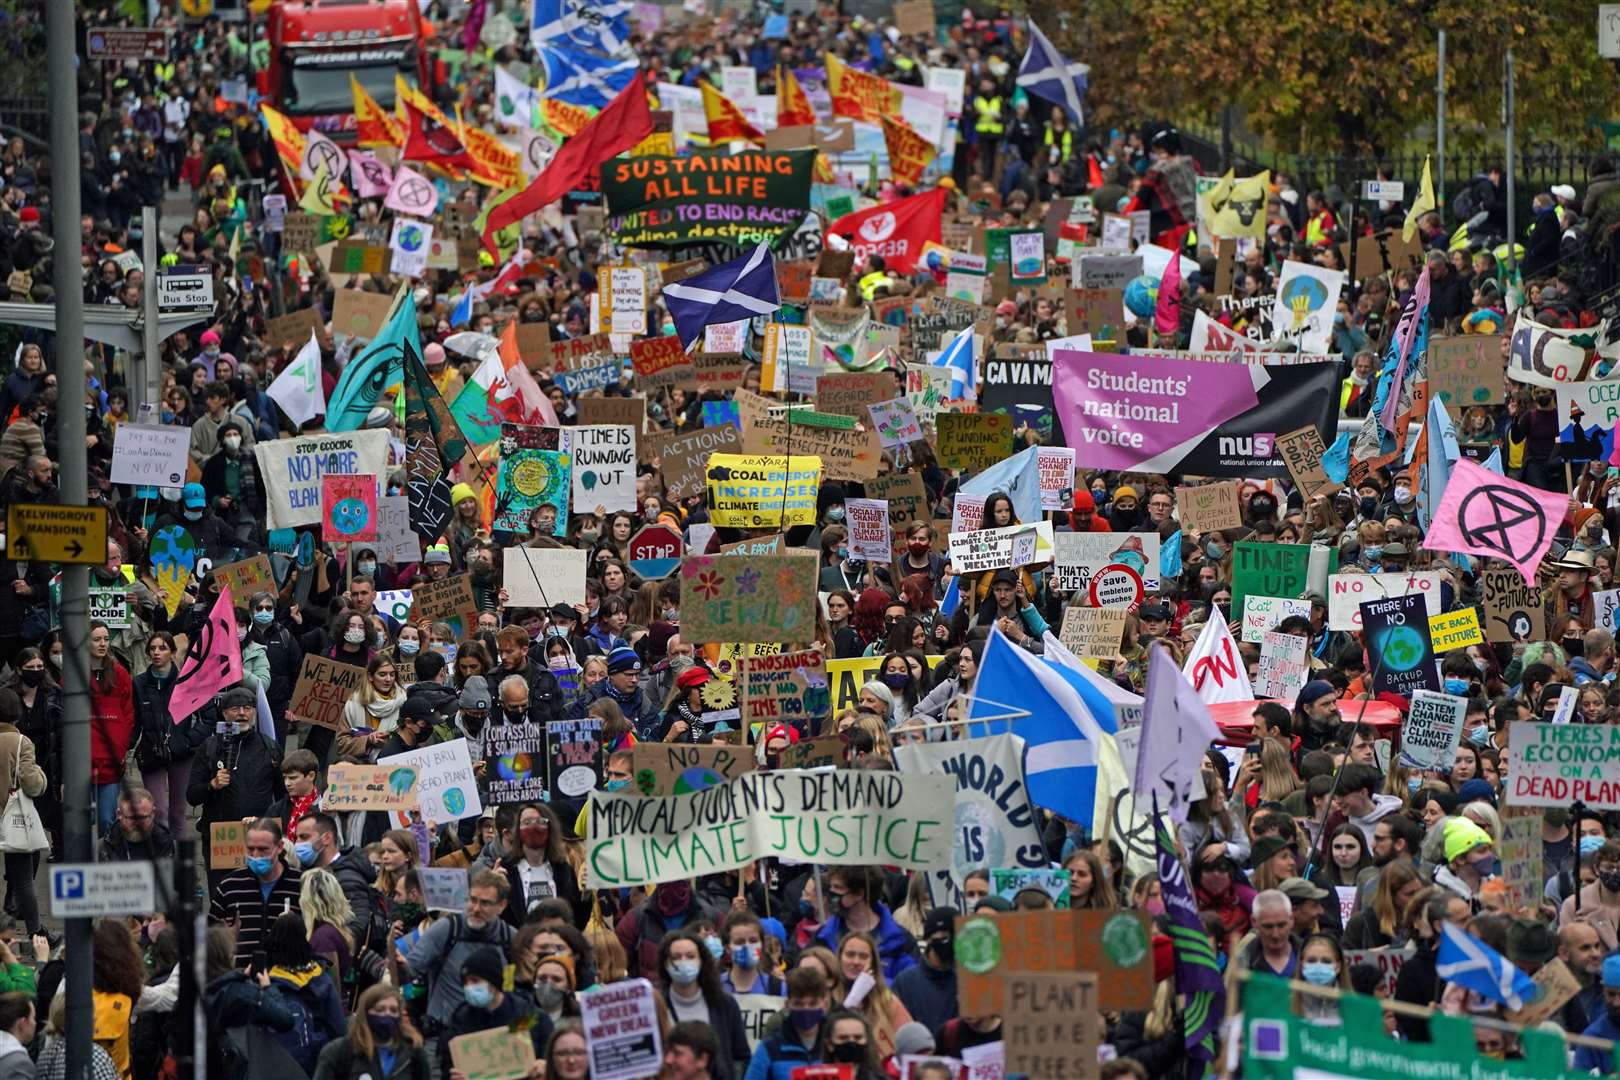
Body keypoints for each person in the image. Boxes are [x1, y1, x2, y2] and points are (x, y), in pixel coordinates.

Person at [404, 869, 516, 1035]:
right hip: (443, 1034)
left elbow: (518, 989)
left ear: (502, 905)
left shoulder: (510, 939)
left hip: (490, 1040)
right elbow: (409, 970)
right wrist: (396, 966)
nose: (476, 908)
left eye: (485, 903)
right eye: (472, 900)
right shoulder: (447, 929)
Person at [438, 947, 553, 1080]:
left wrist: (544, 1066)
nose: (469, 987)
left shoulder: (529, 1015)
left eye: (475, 981)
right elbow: (446, 1067)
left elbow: (547, 1053)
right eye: (465, 982)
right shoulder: (459, 1021)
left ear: (493, 982)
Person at [655, 930, 749, 1078]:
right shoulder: (656, 1006)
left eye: (690, 956)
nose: (684, 961)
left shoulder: (725, 1004)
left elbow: (740, 1057)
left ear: (701, 961)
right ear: (666, 963)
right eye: (676, 957)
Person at [209, 817, 303, 965]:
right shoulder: (229, 886)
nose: (256, 856)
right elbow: (211, 936)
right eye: (250, 849)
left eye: (263, 850)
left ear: (279, 847)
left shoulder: (300, 884)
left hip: (285, 979)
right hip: (238, 978)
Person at [264, 913, 347, 1074]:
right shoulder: (320, 977)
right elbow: (338, 1028)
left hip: (278, 1067)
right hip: (316, 1065)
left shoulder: (267, 983)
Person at [814, 866, 917, 981]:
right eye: (831, 887)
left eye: (838, 887)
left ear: (858, 894)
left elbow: (911, 985)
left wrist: (875, 985)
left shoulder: (900, 940)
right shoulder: (823, 935)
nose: (831, 893)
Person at [311, 983, 432, 1080]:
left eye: (393, 1010)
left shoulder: (414, 1054)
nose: (387, 1014)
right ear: (365, 1015)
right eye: (380, 1010)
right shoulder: (339, 1052)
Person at [744, 965, 832, 1079]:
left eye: (813, 1004)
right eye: (798, 1004)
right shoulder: (769, 1048)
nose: (806, 1009)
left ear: (824, 1004)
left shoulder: (835, 1042)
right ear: (787, 1005)